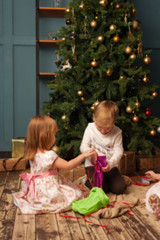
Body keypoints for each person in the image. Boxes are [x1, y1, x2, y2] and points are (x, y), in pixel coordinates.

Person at [12, 115, 96, 214]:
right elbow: (68, 165)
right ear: (45, 136)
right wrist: (83, 155)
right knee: (76, 193)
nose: (55, 137)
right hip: (48, 190)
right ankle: (53, 201)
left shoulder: (32, 152)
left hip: (37, 190)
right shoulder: (49, 155)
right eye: (54, 134)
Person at [80, 100, 126, 195]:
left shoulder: (117, 132)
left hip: (109, 166)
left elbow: (119, 151)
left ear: (114, 121)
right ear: (94, 118)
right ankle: (87, 180)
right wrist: (90, 152)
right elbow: (83, 146)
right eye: (99, 127)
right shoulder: (90, 128)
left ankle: (109, 180)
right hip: (93, 165)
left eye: (108, 128)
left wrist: (111, 163)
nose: (103, 131)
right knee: (101, 189)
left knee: (120, 189)